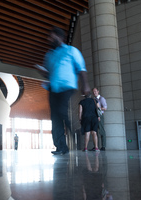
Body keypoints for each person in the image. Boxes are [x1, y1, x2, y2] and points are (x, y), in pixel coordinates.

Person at [38, 26, 90, 155]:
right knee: (55, 118)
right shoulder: (49, 55)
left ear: (60, 37)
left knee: (61, 111)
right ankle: (61, 147)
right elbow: (48, 73)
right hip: (53, 88)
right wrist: (42, 72)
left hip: (67, 87)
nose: (49, 39)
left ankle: (73, 133)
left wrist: (86, 85)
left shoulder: (71, 51)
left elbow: (81, 68)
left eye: (52, 36)